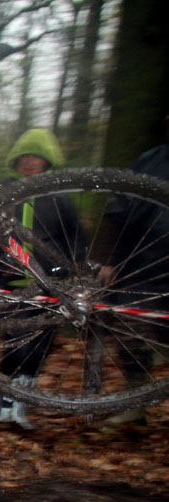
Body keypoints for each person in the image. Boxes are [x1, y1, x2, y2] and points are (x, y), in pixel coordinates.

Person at [0, 128, 86, 429]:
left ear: (47, 161)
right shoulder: (2, 192)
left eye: (37, 157)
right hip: (10, 283)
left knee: (40, 342)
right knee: (14, 340)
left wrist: (74, 269)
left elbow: (76, 238)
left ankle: (22, 402)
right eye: (25, 157)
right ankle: (4, 400)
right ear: (16, 161)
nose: (30, 163)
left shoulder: (59, 198)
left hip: (49, 283)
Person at [102, 115, 169, 425]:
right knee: (129, 331)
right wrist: (112, 261)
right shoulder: (150, 159)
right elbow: (121, 211)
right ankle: (135, 404)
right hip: (141, 261)